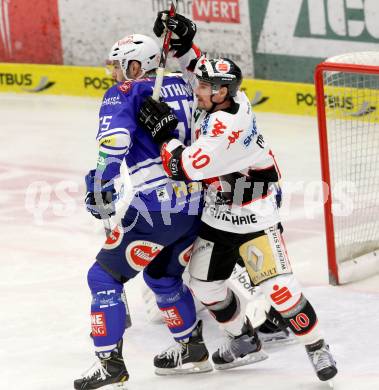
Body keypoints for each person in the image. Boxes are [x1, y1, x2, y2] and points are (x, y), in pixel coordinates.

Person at [138, 12, 338, 382]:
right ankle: (243, 339)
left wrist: (165, 133)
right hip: (219, 215)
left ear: (219, 93)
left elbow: (180, 167)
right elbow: (196, 68)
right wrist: (182, 43)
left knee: (279, 289)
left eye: (202, 86)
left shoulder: (226, 131)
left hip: (254, 215)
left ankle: (317, 346)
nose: (194, 88)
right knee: (205, 286)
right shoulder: (230, 98)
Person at [74, 32, 214, 390]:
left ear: (135, 65)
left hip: (156, 206)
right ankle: (191, 348)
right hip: (195, 203)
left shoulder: (125, 92)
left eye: (120, 67)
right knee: (161, 277)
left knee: (103, 277)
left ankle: (109, 365)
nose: (116, 75)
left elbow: (115, 143)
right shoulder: (184, 86)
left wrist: (102, 185)